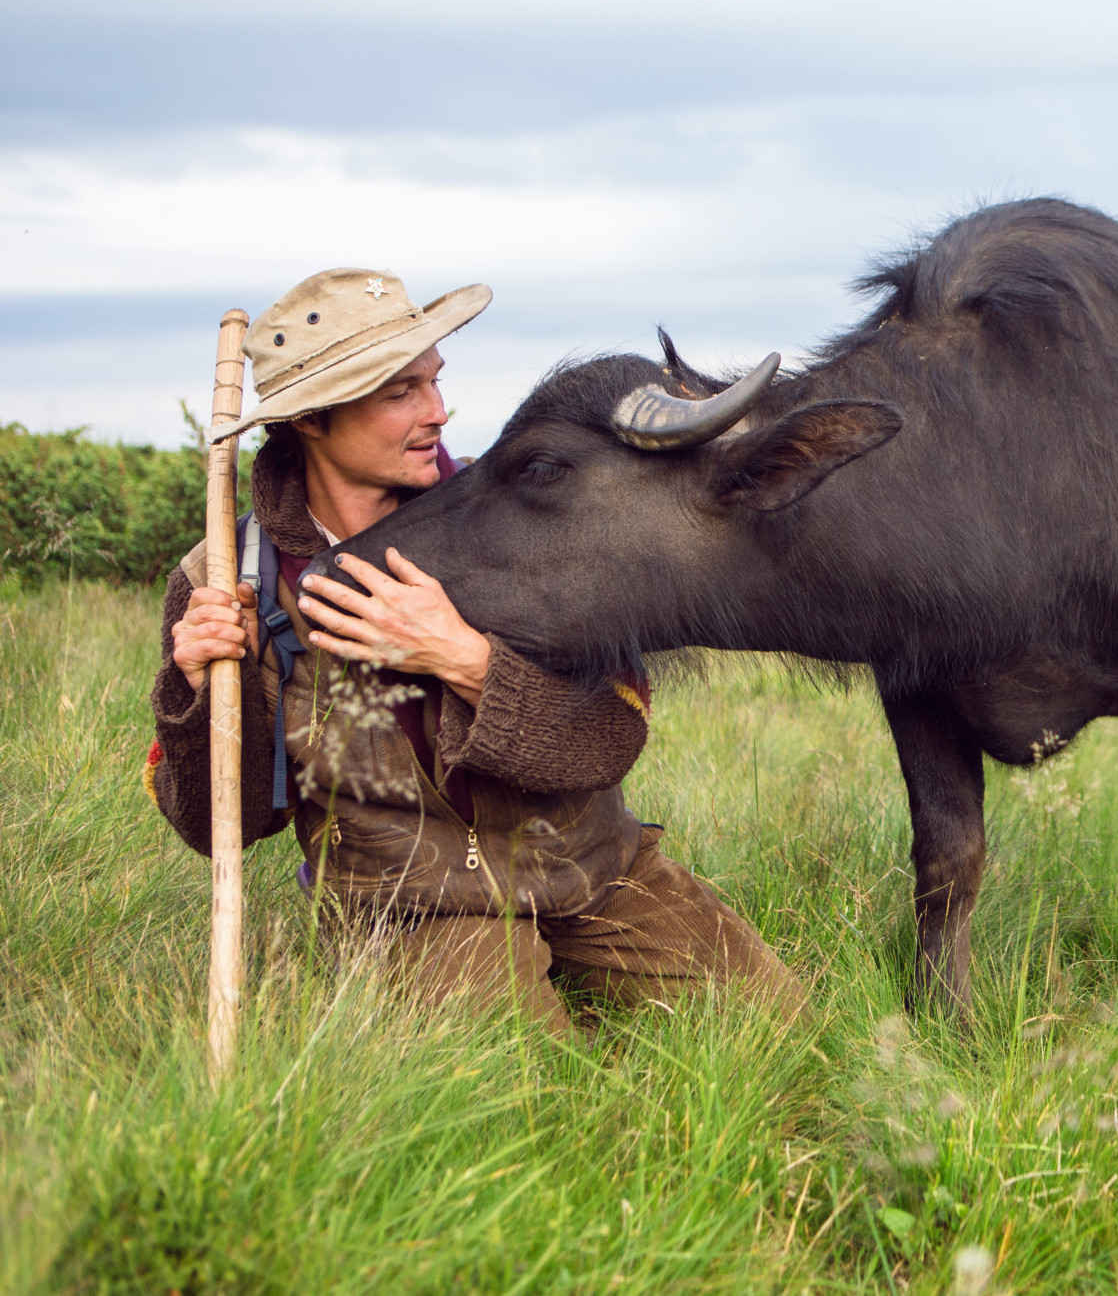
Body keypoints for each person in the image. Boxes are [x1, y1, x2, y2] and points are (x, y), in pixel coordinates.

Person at [146, 268, 804, 1033]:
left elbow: (612, 737)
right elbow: (218, 826)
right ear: (313, 420)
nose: (437, 412)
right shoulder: (229, 581)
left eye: (434, 382)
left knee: (777, 1028)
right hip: (414, 902)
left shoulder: (533, 520)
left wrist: (462, 657)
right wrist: (198, 695)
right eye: (400, 393)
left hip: (590, 871)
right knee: (520, 1090)